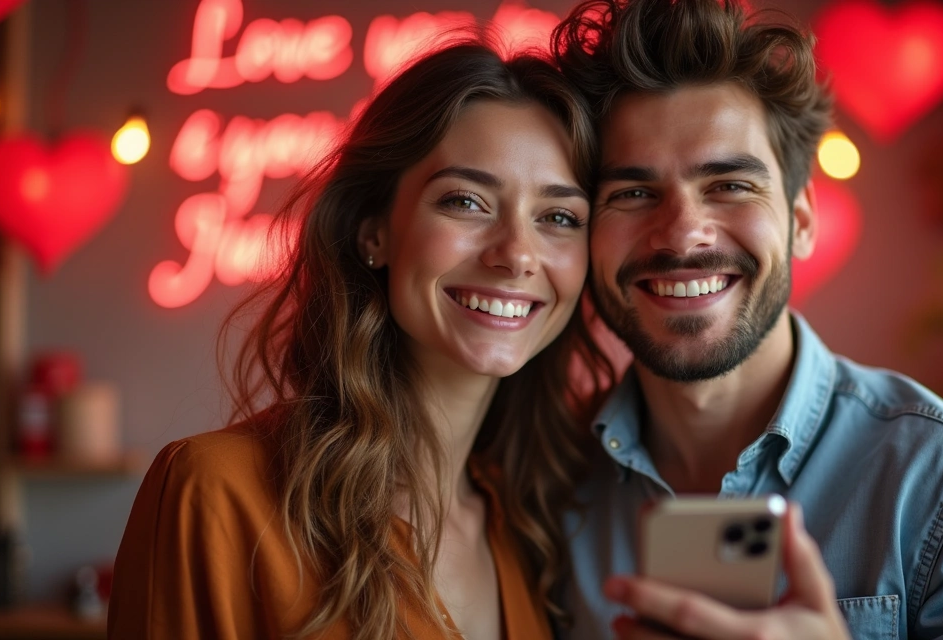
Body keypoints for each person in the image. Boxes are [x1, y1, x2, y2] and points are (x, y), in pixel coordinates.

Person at [551, 1, 943, 638]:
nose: (682, 234)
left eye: (729, 184)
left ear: (801, 218)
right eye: (633, 193)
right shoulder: (547, 486)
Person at [109, 41, 614, 639]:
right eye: (466, 201)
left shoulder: (533, 524)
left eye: (559, 217)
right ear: (374, 231)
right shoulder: (216, 491)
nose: (516, 254)